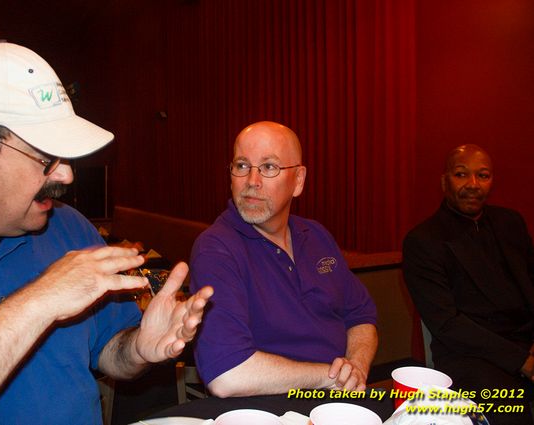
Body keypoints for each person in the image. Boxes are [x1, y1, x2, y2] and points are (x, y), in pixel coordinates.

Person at [0, 41, 213, 425]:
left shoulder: (69, 225)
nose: (66, 175)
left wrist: (140, 350)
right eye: (46, 159)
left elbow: (110, 351)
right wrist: (42, 299)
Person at [189, 121, 378, 397]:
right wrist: (331, 377)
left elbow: (361, 315)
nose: (252, 181)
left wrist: (356, 369)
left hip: (338, 399)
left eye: (268, 167)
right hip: (269, 408)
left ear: (298, 181)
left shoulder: (315, 235)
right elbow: (226, 375)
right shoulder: (216, 248)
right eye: (242, 166)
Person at [402, 144, 534, 425]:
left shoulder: (511, 223)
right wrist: (522, 360)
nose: (473, 185)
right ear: (444, 180)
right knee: (510, 412)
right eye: (462, 175)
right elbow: (447, 323)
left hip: (525, 341)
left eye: (483, 176)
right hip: (469, 355)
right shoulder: (423, 240)